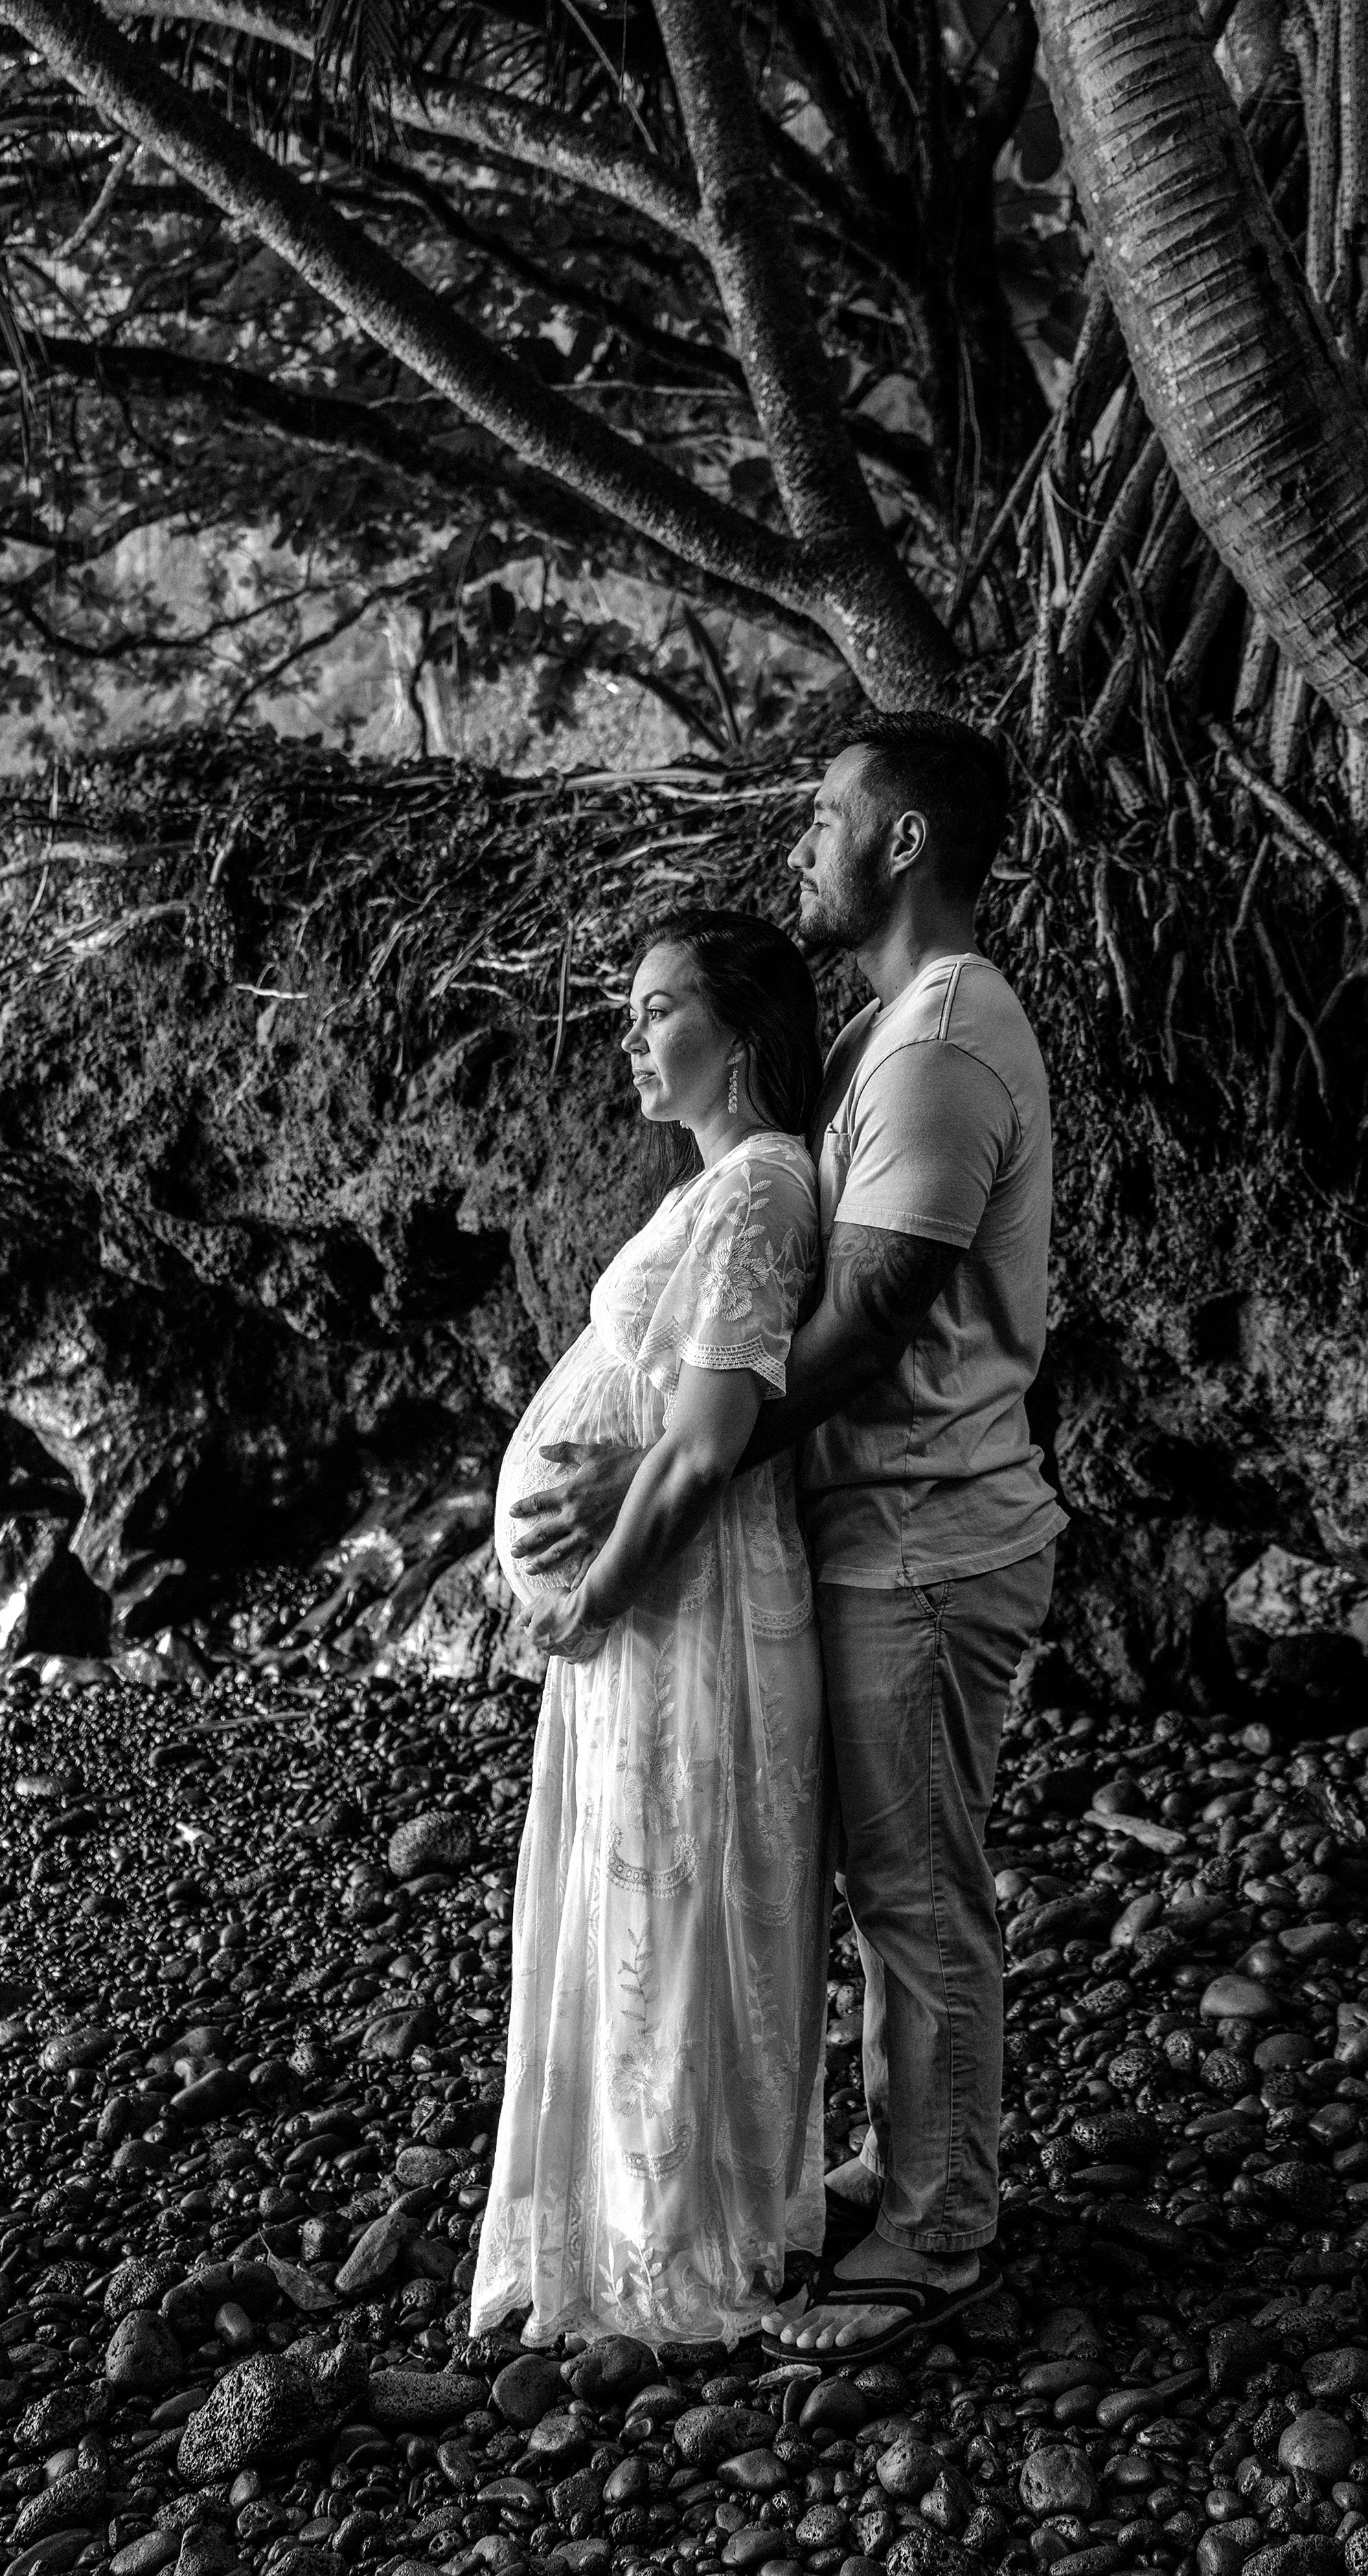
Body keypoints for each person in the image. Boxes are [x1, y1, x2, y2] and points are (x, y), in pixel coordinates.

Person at [511, 712, 1065, 2361]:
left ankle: (939, 2235)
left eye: (828, 815)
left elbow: (869, 1321)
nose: (800, 841)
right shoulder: (891, 1039)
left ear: (902, 844)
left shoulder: (939, 1050)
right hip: (869, 1535)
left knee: (914, 1899)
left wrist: (658, 1478)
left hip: (925, 1534)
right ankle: (907, 2172)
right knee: (877, 1890)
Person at [469, 909, 836, 2349]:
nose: (629, 1038)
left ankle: (683, 2247)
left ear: (740, 1035)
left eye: (656, 1009)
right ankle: (628, 2228)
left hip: (691, 1612)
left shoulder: (758, 1189)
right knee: (635, 1906)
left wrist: (598, 1593)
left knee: (682, 1908)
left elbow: (705, 1443)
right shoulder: (708, 1194)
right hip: (648, 1616)